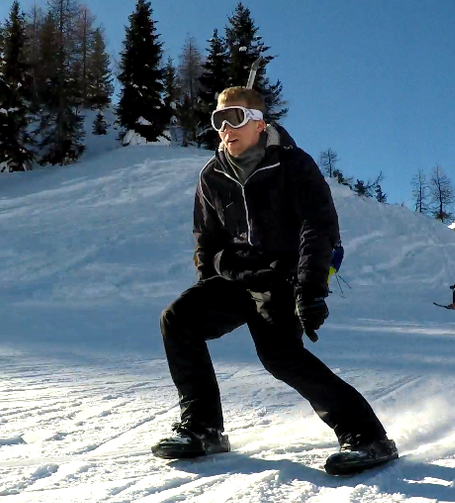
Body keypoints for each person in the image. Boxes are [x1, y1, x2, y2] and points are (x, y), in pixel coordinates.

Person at [153, 86, 397, 474]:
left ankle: (368, 437)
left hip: (281, 278)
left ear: (258, 123)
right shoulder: (212, 175)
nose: (224, 129)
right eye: (218, 121)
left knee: (280, 356)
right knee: (178, 319)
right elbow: (207, 239)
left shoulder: (293, 165)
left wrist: (311, 289)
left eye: (233, 119)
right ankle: (203, 430)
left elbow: (318, 229)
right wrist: (209, 282)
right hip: (235, 277)